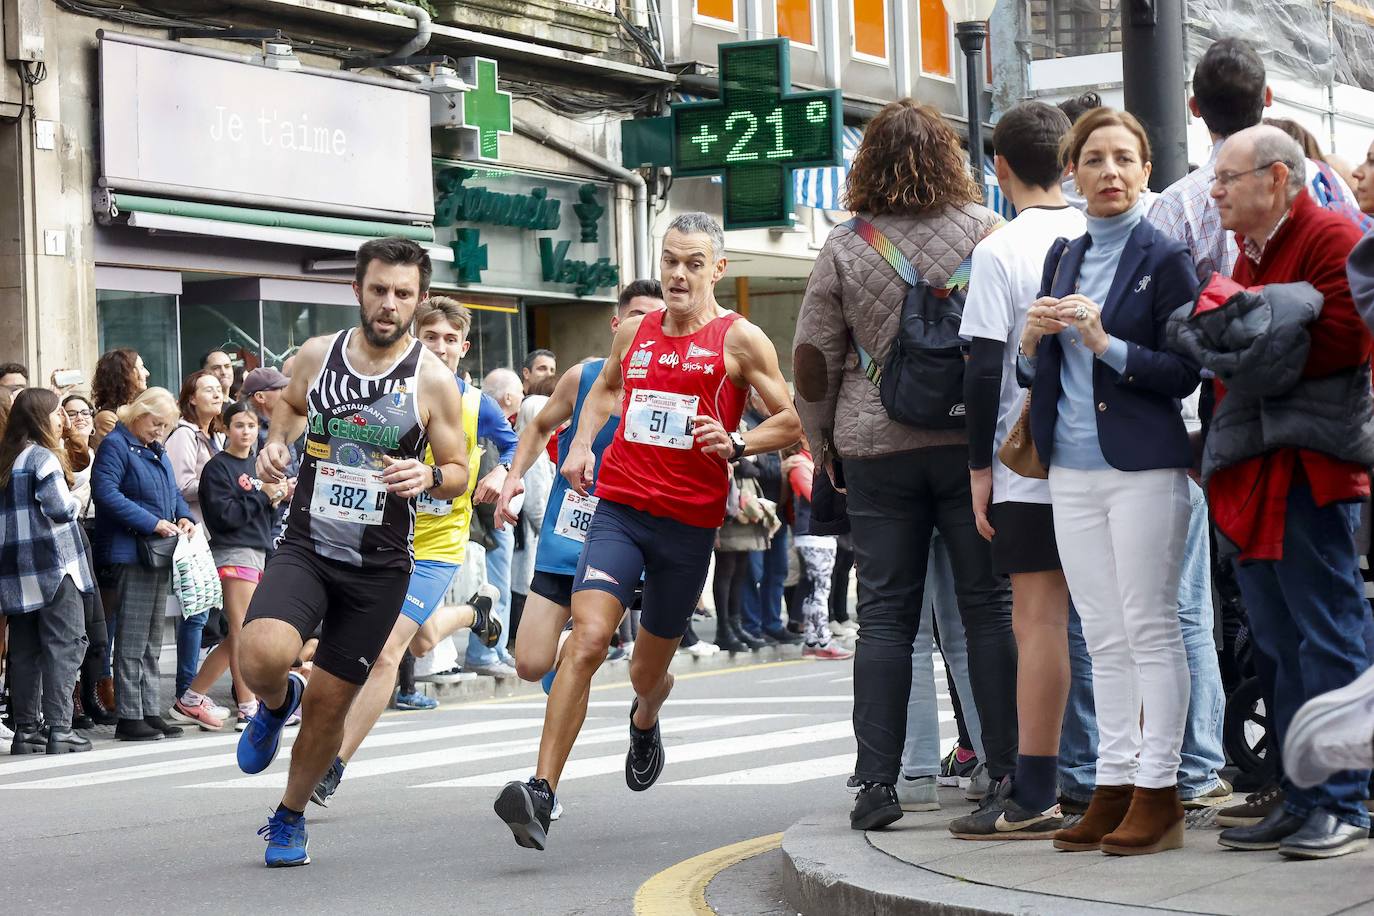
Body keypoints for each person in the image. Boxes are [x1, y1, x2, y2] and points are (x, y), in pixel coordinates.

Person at [493, 212, 800, 851]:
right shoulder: (635, 334)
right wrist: (579, 446)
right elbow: (602, 390)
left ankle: (646, 715)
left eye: (693, 263)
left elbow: (793, 421)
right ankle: (542, 791)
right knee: (588, 640)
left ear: (719, 268)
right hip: (621, 511)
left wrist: (738, 441)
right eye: (670, 262)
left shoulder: (740, 341)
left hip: (688, 528)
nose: (679, 275)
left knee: (645, 671)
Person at [792, 98, 1017, 835]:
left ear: (868, 165)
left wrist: (823, 446)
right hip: (967, 445)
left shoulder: (846, 245)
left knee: (885, 617)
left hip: (876, 447)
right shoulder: (988, 232)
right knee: (988, 609)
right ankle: (1005, 769)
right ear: (950, 159)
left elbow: (814, 360)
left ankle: (879, 784)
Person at [234, 237, 469, 868]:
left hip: (380, 566)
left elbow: (457, 469)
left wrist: (430, 478)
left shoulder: (432, 380)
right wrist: (276, 444)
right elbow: (285, 407)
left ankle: (288, 817)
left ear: (417, 302)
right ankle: (275, 701)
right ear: (358, 290)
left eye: (403, 294)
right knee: (259, 652)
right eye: (379, 290)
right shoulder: (318, 355)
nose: (388, 304)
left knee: (332, 703)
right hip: (308, 545)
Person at [1017, 107, 1200, 856]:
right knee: (1101, 632)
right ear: (1073, 174)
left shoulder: (1166, 256)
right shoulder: (1062, 254)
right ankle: (1113, 784)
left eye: (1124, 159)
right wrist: (1031, 344)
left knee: (1151, 627)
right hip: (1072, 469)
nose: (1110, 173)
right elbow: (1041, 374)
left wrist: (1105, 342)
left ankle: (1160, 793)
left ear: (1146, 171)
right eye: (1095, 160)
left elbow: (1185, 369)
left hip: (1145, 466)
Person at [1198, 126, 1373, 860]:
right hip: (1258, 463)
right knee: (1275, 639)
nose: (1217, 193)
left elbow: (1339, 341)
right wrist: (1255, 323)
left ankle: (1345, 803)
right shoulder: (1251, 253)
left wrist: (1250, 325)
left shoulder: (1330, 237)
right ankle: (1302, 796)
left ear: (1275, 178)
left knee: (1327, 631)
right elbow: (1235, 349)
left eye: (1227, 179)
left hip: (1315, 466)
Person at [309, 296, 501, 809]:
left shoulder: (476, 403)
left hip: (436, 546)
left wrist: (504, 474)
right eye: (429, 337)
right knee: (420, 643)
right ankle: (475, 612)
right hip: (380, 539)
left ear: (464, 346)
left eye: (448, 339)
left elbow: (521, 443)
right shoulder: (387, 394)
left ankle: (334, 763)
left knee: (389, 651)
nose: (439, 348)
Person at [957, 100, 1086, 833]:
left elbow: (981, 370)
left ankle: (1036, 790)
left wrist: (980, 469)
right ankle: (1124, 775)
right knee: (1122, 623)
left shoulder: (1000, 249)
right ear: (1071, 163)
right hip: (1109, 452)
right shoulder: (1098, 233)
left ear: (999, 168)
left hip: (1028, 463)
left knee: (1038, 620)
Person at [496, 280, 665, 688]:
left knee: (626, 662)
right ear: (616, 324)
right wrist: (511, 476)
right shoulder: (582, 377)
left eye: (657, 319)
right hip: (565, 534)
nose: (647, 327)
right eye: (636, 317)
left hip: (626, 540)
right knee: (530, 665)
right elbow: (537, 425)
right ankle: (579, 647)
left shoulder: (669, 387)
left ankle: (595, 661)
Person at [1148, 37, 1361, 283]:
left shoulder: (1175, 205)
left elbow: (1156, 304)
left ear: (1194, 107)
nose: (1217, 191)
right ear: (1268, 97)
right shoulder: (1326, 181)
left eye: (1229, 179)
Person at [91, 386, 197, 742]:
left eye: (165, 426)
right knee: (134, 638)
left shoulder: (153, 447)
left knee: (151, 637)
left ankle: (149, 710)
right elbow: (105, 494)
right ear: (139, 413)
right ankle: (130, 715)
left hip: (155, 550)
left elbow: (173, 494)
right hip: (131, 551)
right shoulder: (116, 444)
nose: (160, 431)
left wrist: (183, 517)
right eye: (156, 423)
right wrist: (152, 522)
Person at [182, 401, 288, 731]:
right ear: (225, 428)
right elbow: (225, 517)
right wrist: (263, 495)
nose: (246, 432)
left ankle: (192, 696)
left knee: (240, 634)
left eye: (252, 426)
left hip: (257, 552)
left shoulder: (260, 468)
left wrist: (275, 496)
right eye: (239, 425)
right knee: (243, 631)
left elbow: (262, 515)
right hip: (231, 553)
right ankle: (247, 706)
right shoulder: (217, 468)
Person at [0, 388, 96, 754]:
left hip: (15, 571)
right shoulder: (42, 457)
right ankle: (60, 728)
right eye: (58, 414)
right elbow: (59, 508)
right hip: (55, 565)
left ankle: (26, 731)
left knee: (23, 650)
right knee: (64, 644)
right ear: (41, 417)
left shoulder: (7, 458)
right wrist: (77, 497)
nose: (64, 420)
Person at [165, 369, 228, 730]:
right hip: (191, 535)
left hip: (213, 535)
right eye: (208, 389)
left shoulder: (213, 436)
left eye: (220, 389)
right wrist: (220, 481)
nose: (217, 394)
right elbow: (179, 486)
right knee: (196, 615)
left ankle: (193, 692)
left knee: (206, 615)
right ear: (191, 398)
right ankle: (186, 692)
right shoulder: (184, 436)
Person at [61, 393, 114, 729]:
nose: (79, 417)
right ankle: (74, 695)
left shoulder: (99, 451)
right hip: (75, 530)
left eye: (85, 411)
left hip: (98, 532)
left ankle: (94, 691)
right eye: (71, 413)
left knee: (98, 623)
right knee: (73, 623)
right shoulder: (60, 452)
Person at [477, 367, 525, 671]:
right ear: (508, 396)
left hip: (498, 520)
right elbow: (486, 478)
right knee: (492, 591)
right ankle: (484, 653)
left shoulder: (497, 427)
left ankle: (496, 650)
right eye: (520, 390)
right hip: (495, 521)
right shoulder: (490, 426)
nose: (522, 396)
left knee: (499, 589)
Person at [784, 444, 850, 660]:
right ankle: (823, 639)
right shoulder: (803, 464)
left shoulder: (806, 462)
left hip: (815, 533)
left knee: (816, 587)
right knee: (821, 587)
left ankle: (812, 640)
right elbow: (813, 495)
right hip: (813, 534)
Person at [240, 366, 296, 550]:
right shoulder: (247, 433)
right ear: (260, 397)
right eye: (279, 388)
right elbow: (240, 478)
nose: (285, 392)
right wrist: (280, 490)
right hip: (264, 523)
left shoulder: (286, 427)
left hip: (289, 519)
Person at [90, 348, 149, 453]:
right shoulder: (106, 417)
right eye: (141, 367)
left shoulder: (136, 408)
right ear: (127, 374)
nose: (147, 373)